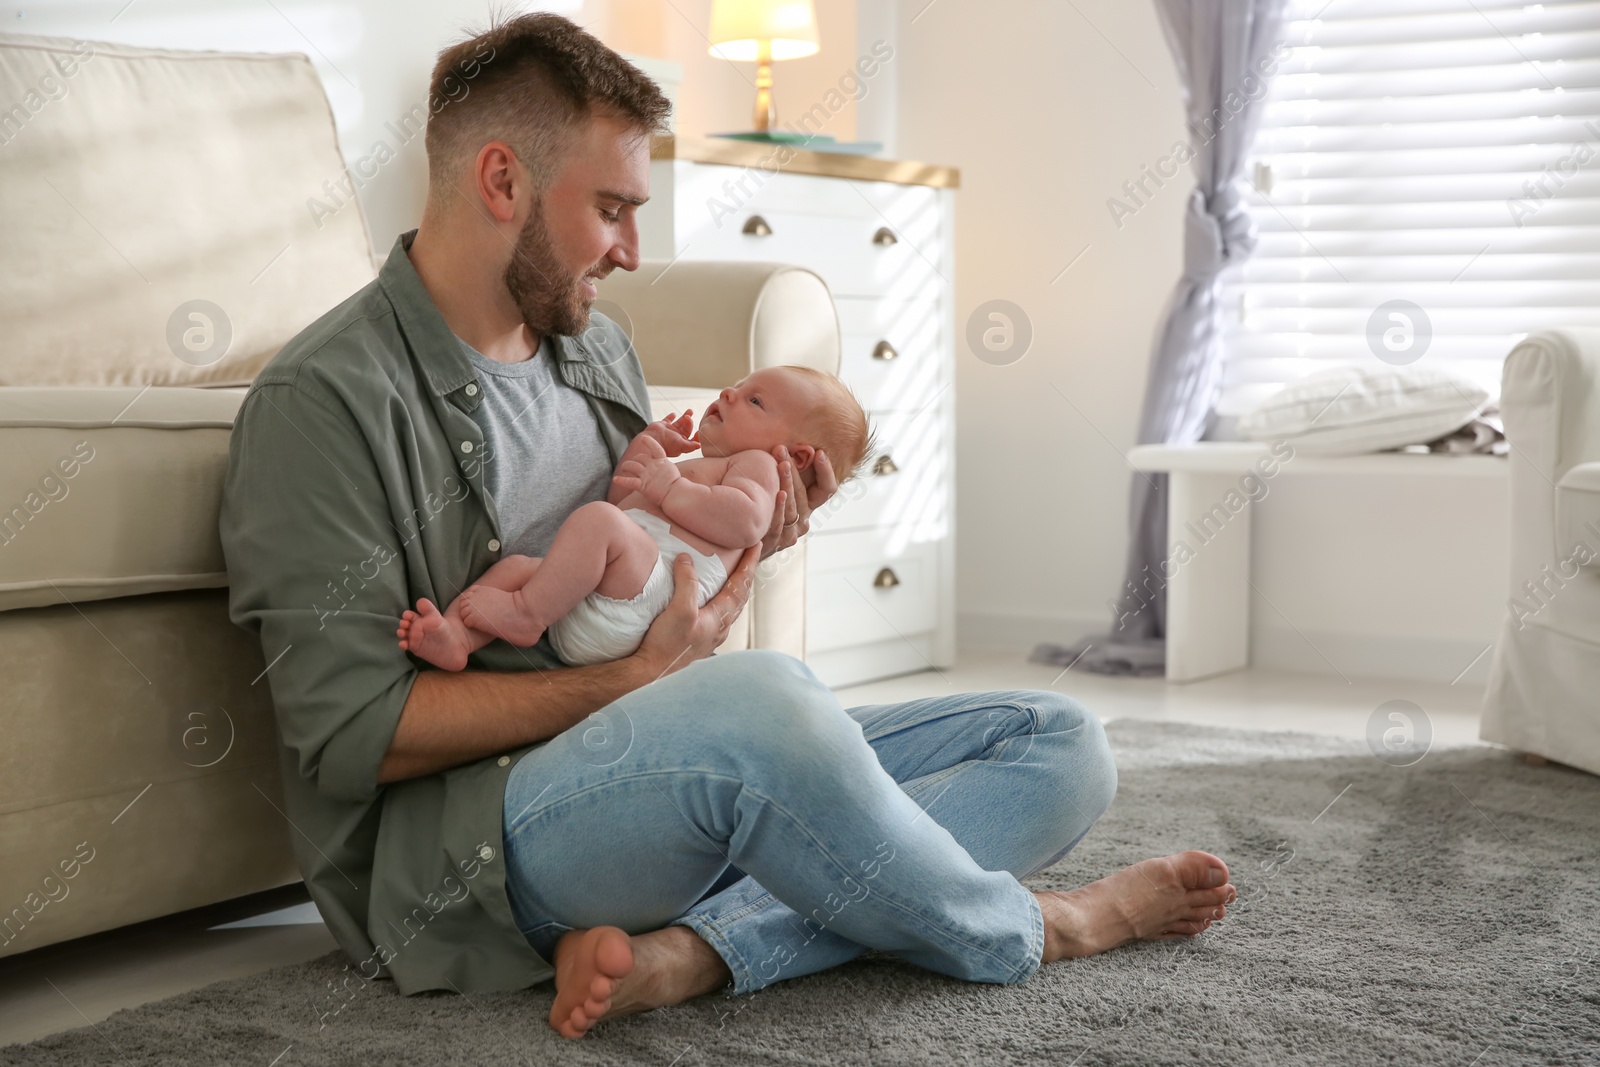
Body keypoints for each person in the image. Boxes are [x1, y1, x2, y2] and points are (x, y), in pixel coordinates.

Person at [218, 12, 1236, 1043]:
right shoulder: (325, 402)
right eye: (612, 209)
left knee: (1061, 741)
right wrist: (633, 681)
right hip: (474, 837)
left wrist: (740, 553)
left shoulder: (594, 350)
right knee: (766, 704)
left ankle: (697, 951)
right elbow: (355, 737)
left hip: (657, 764)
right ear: (501, 181)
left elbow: (666, 580)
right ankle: (1042, 926)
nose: (631, 250)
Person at [396, 366, 871, 670]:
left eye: (755, 401)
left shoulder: (761, 466)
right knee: (522, 566)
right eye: (741, 384)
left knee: (597, 526)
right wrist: (645, 453)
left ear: (799, 458)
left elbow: (746, 522)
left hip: (652, 595)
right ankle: (459, 637)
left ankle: (525, 614)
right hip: (612, 594)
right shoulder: (704, 468)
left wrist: (671, 486)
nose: (729, 391)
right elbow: (625, 501)